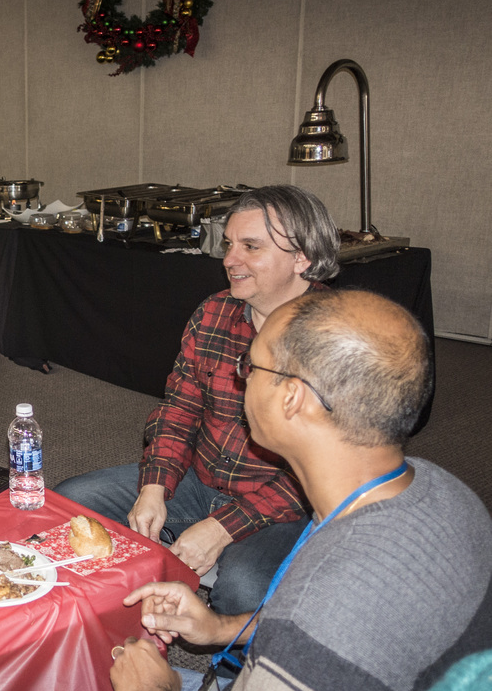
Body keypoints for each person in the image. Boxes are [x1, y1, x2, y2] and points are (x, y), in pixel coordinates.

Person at [108, 289, 492, 691]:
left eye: (249, 366)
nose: (241, 379)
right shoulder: (440, 490)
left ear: (292, 397)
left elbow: (315, 635)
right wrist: (221, 627)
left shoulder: (323, 613)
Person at [54, 185, 339, 615]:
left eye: (250, 247)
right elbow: (179, 409)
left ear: (302, 257)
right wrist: (154, 487)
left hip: (284, 505)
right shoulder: (214, 311)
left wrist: (222, 529)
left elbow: (326, 468)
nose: (229, 260)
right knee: (70, 503)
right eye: (229, 244)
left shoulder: (340, 336)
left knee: (244, 590)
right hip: (200, 479)